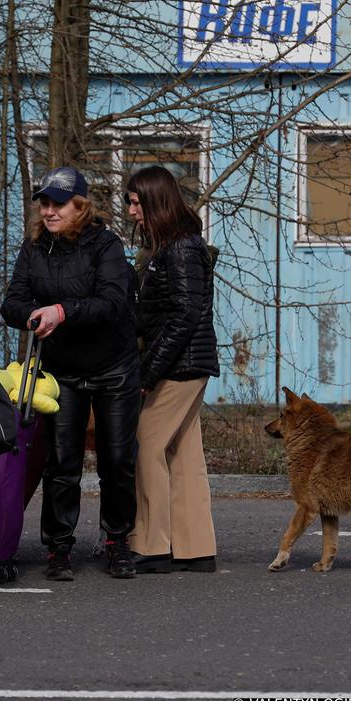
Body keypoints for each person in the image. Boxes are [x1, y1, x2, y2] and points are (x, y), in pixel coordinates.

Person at [0, 166, 141, 581]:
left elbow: (114, 301)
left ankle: (117, 542)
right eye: (43, 203)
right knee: (62, 463)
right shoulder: (33, 248)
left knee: (117, 460)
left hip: (113, 367)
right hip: (61, 370)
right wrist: (31, 316)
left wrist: (62, 311)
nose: (48, 211)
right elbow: (12, 302)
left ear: (80, 205)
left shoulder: (106, 244)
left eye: (57, 203)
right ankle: (58, 548)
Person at [125, 166, 220, 573]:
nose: (130, 211)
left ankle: (152, 544)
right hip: (187, 361)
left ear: (154, 201)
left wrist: (148, 373)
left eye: (134, 202)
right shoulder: (172, 246)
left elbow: (184, 315)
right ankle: (195, 547)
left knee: (147, 443)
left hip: (180, 365)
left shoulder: (179, 249)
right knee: (182, 453)